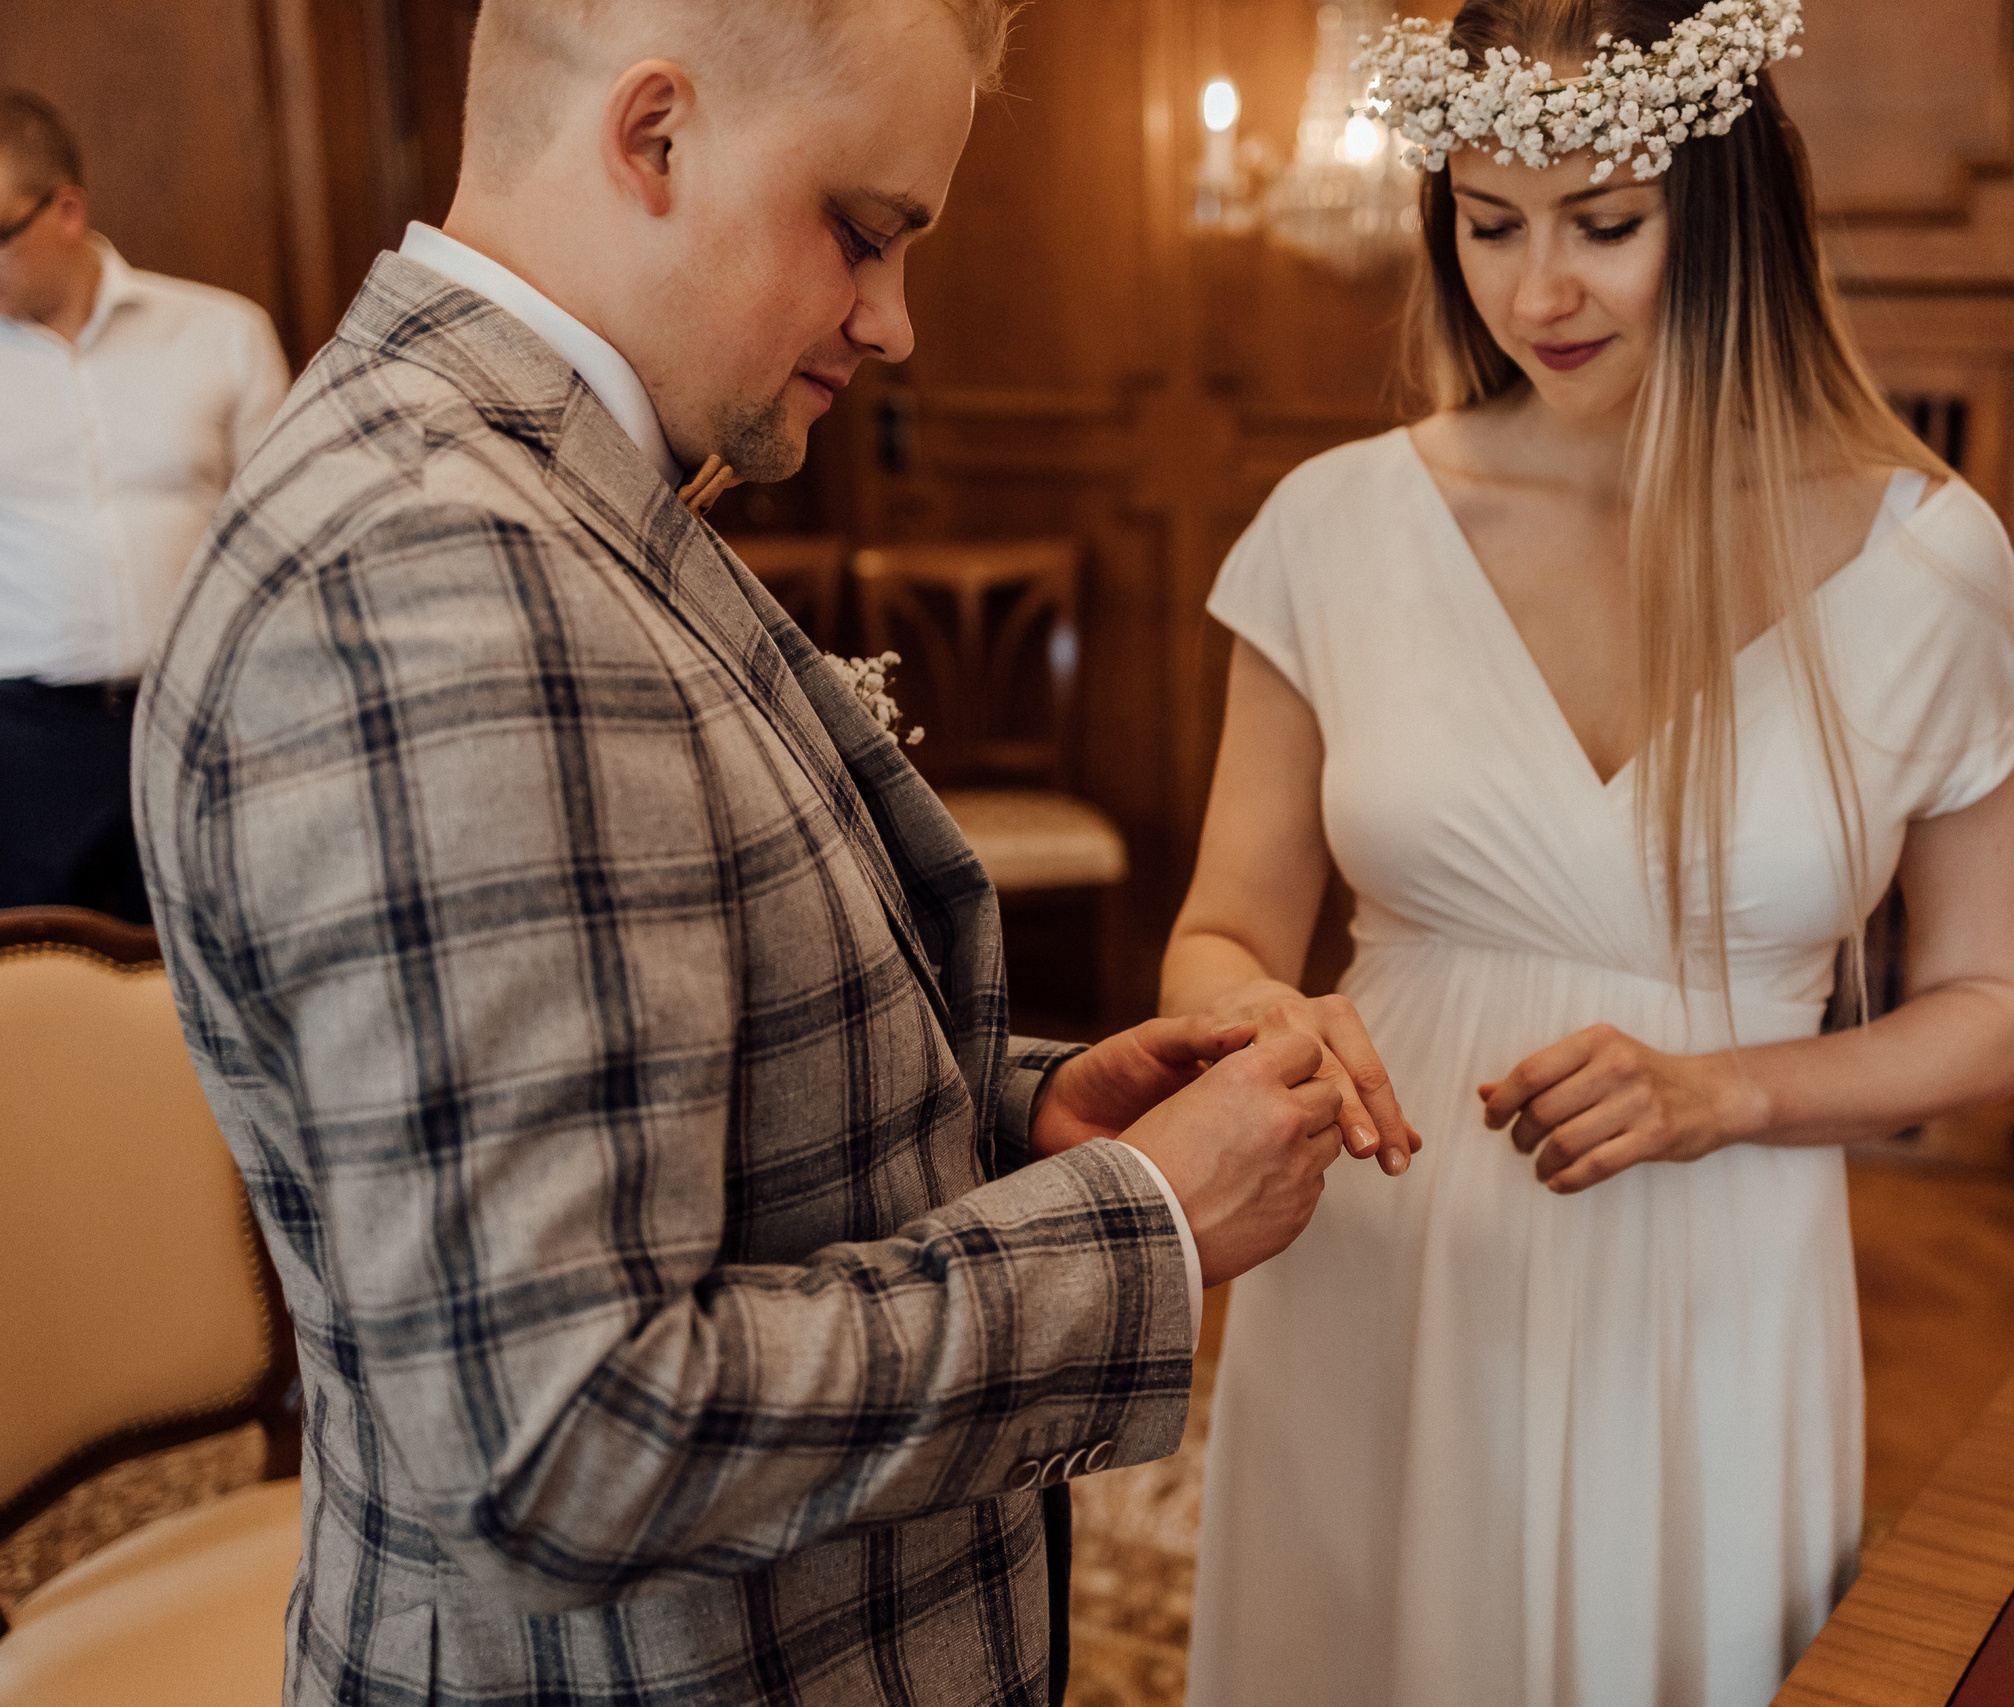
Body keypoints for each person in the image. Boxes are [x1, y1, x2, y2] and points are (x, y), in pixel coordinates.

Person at [132, 2, 1369, 1703]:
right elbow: (562, 1441)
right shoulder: (440, 576)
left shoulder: (550, 490)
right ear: (655, 137)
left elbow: (675, 1084)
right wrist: (1137, 1223)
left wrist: (1023, 1116)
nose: (894, 319)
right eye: (861, 234)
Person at [1164, 0, 2014, 1701]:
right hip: (1382, 1236)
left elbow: (1997, 1001)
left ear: (1726, 213)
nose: (1536, 293)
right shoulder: (1335, 526)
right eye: (1490, 225)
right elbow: (1222, 927)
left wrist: (1730, 1093)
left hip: (1710, 1271)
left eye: (1605, 226)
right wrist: (1260, 1014)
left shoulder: (1929, 559)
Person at [0, 88, 288, 924]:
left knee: (213, 949)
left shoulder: (222, 333)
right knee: (31, 998)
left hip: (199, 717)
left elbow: (278, 538)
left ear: (66, 209)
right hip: (26, 737)